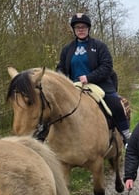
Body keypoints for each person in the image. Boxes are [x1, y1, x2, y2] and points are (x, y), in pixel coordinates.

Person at [56, 12, 131, 144]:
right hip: (74, 86)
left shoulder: (99, 46)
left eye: (83, 27)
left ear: (88, 29)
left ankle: (126, 135)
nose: (81, 30)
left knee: (115, 104)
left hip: (99, 85)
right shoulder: (67, 49)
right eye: (78, 27)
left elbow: (107, 66)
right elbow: (60, 69)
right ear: (74, 30)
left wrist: (89, 77)